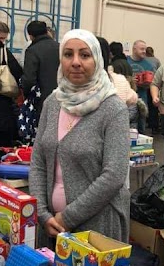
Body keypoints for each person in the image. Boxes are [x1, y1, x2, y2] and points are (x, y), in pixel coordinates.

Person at [29, 29, 130, 243]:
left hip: (96, 227)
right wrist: (42, 214)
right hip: (50, 226)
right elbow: (38, 162)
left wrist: (67, 217)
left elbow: (114, 176)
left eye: (84, 55)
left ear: (97, 60)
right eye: (68, 54)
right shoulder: (53, 102)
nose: (75, 62)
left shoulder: (113, 109)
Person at [21, 20, 60, 119]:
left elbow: (29, 79)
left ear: (30, 36)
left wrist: (26, 94)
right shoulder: (60, 47)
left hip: (41, 99)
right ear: (46, 31)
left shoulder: (32, 51)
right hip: (62, 96)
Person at [127, 40, 155, 132]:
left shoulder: (149, 65)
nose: (144, 51)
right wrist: (130, 81)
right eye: (142, 49)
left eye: (145, 49)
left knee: (140, 127)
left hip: (142, 99)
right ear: (134, 49)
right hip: (126, 99)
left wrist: (145, 83)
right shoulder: (125, 62)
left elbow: (152, 84)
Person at [145, 46, 161, 133]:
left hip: (145, 86)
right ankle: (155, 126)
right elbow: (159, 72)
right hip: (154, 86)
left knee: (146, 105)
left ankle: (147, 123)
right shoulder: (156, 60)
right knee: (154, 107)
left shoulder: (144, 61)